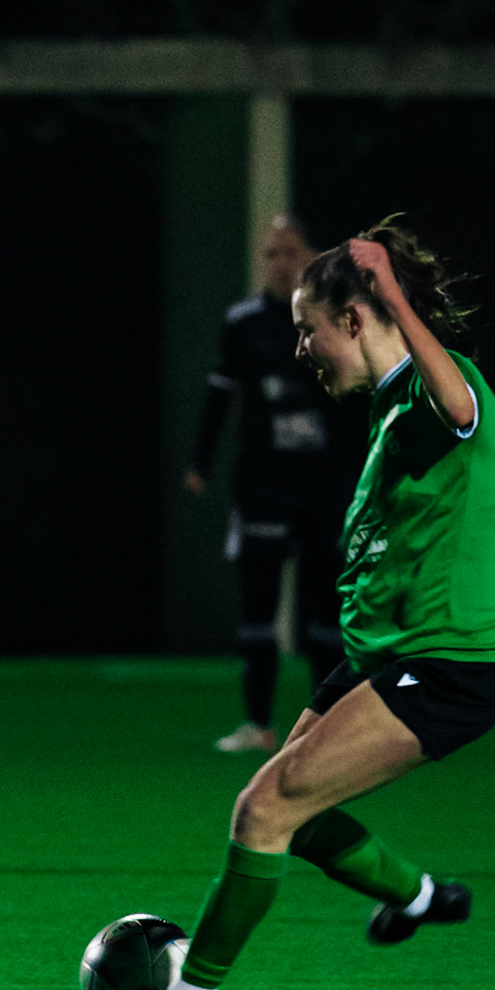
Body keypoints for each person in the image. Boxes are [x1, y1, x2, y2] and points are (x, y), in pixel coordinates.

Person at [107, 216, 495, 990]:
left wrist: (394, 292)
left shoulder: (436, 389)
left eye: (309, 330)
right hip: (384, 657)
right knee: (292, 812)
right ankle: (419, 898)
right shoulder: (391, 405)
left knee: (263, 808)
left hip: (448, 663)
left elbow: (462, 409)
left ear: (356, 319)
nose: (301, 348)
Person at [185, 215, 362, 753]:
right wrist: (200, 462)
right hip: (263, 484)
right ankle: (258, 724)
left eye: (290, 251)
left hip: (322, 487)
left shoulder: (332, 318)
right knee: (258, 608)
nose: (281, 263)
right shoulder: (244, 323)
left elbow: (358, 397)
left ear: (309, 254)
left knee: (325, 612)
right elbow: (220, 394)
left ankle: (324, 727)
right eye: (272, 253)